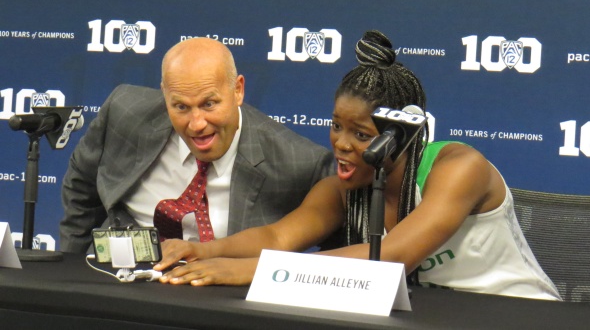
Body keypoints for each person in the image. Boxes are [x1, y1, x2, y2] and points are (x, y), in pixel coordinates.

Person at [153, 30, 561, 301]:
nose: (342, 145)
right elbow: (278, 237)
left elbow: (391, 257)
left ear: (397, 136)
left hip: (521, 313)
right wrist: (203, 250)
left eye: (362, 135)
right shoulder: (343, 188)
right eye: (336, 127)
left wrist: (249, 272)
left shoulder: (458, 168)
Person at [59, 38, 334, 253]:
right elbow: (82, 185)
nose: (196, 123)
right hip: (125, 284)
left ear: (238, 90)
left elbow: (338, 240)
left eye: (209, 104)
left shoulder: (298, 162)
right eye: (180, 106)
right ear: (164, 94)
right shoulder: (125, 112)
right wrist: (73, 266)